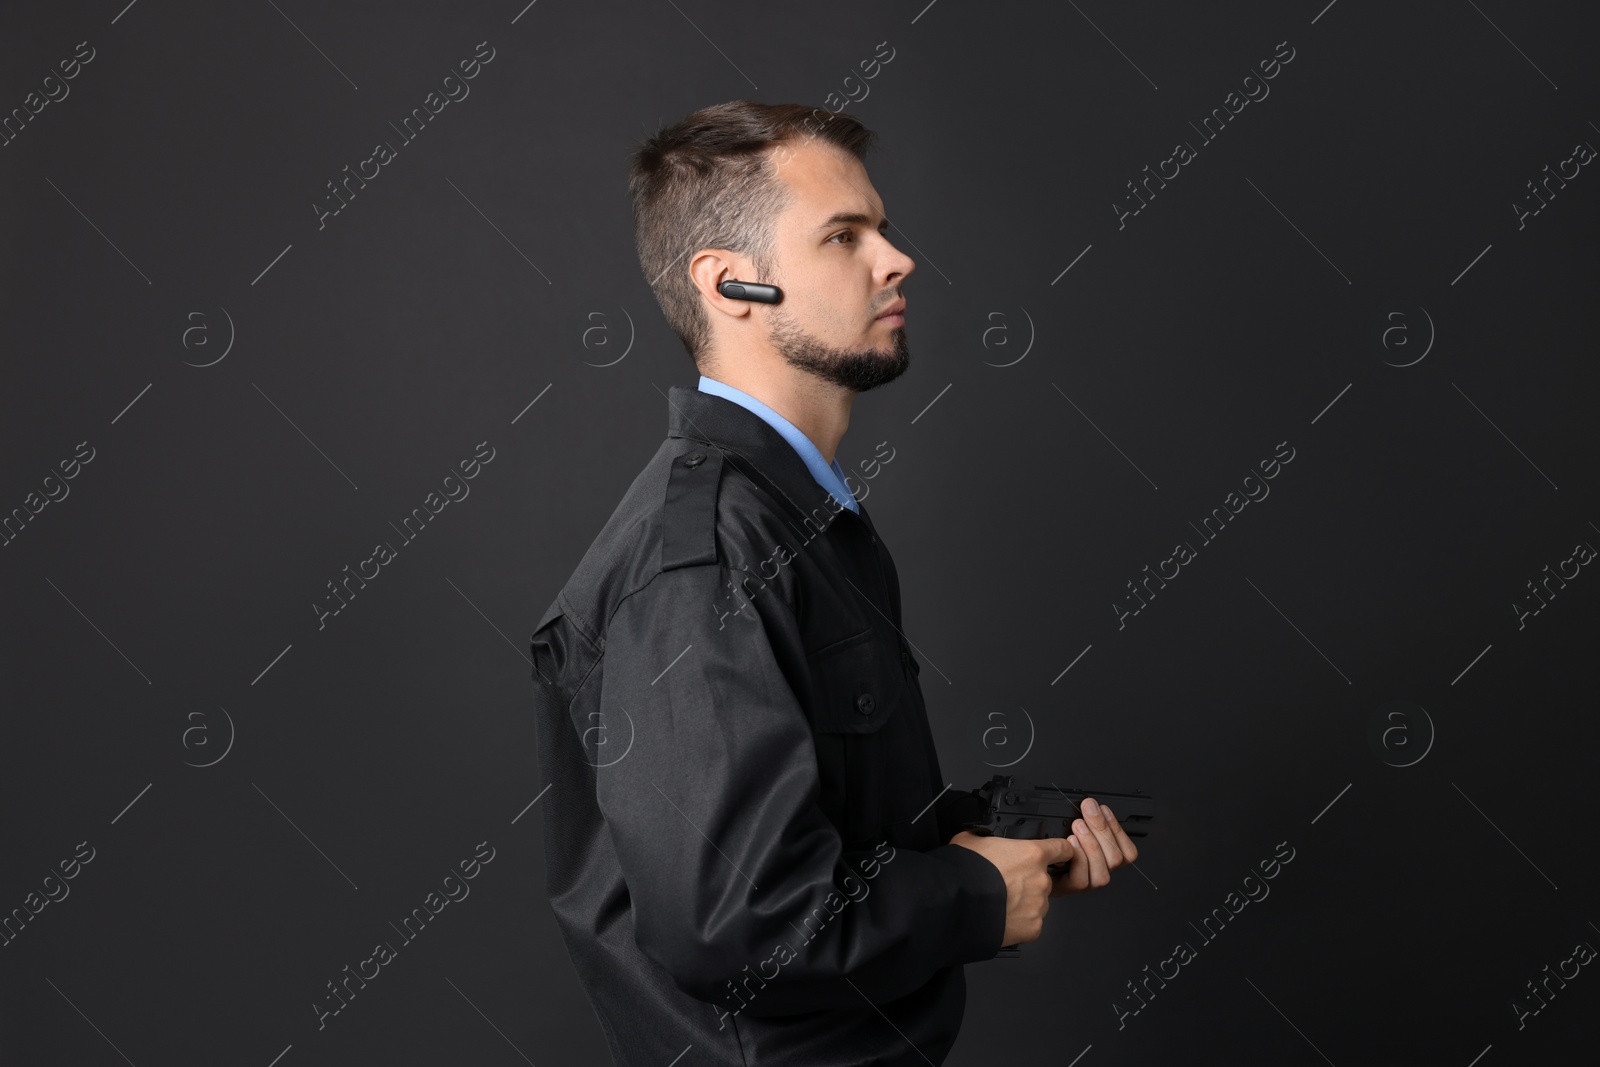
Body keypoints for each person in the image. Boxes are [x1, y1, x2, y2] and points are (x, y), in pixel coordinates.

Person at [528, 99, 1140, 1067]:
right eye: (843, 236)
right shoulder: (708, 553)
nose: (895, 261)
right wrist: (973, 895)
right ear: (731, 283)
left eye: (883, 229)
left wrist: (988, 835)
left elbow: (808, 835)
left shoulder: (798, 520)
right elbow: (740, 922)